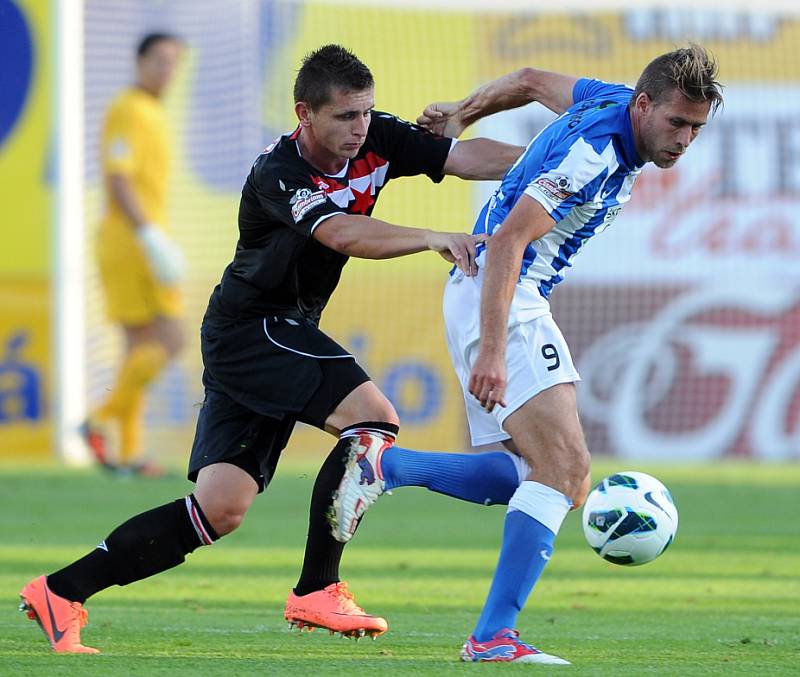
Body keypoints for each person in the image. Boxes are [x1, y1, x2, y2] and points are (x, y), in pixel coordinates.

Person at [18, 44, 523, 654]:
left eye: (365, 113)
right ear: (304, 114)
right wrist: (430, 236)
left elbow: (464, 157)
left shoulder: (378, 138)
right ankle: (318, 588)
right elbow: (340, 232)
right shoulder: (277, 172)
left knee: (219, 509)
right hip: (252, 326)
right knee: (373, 419)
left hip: (272, 332)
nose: (358, 128)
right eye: (344, 117)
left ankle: (62, 591)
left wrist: (552, 164)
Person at [329, 45, 723, 664]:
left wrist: (462, 113)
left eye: (697, 128)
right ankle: (491, 637)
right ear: (645, 106)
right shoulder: (595, 153)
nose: (685, 139)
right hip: (504, 295)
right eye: (677, 123)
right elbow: (511, 237)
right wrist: (493, 351)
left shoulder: (612, 100)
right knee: (564, 471)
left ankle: (389, 468)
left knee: (545, 473)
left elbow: (532, 79)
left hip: (488, 292)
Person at [82, 33, 186, 476]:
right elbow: (119, 177)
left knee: (137, 350)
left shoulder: (153, 111)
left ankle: (128, 453)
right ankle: (98, 420)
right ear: (139, 60)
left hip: (134, 240)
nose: (167, 70)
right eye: (159, 60)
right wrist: (148, 235)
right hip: (131, 242)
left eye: (173, 62)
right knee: (172, 339)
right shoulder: (128, 108)